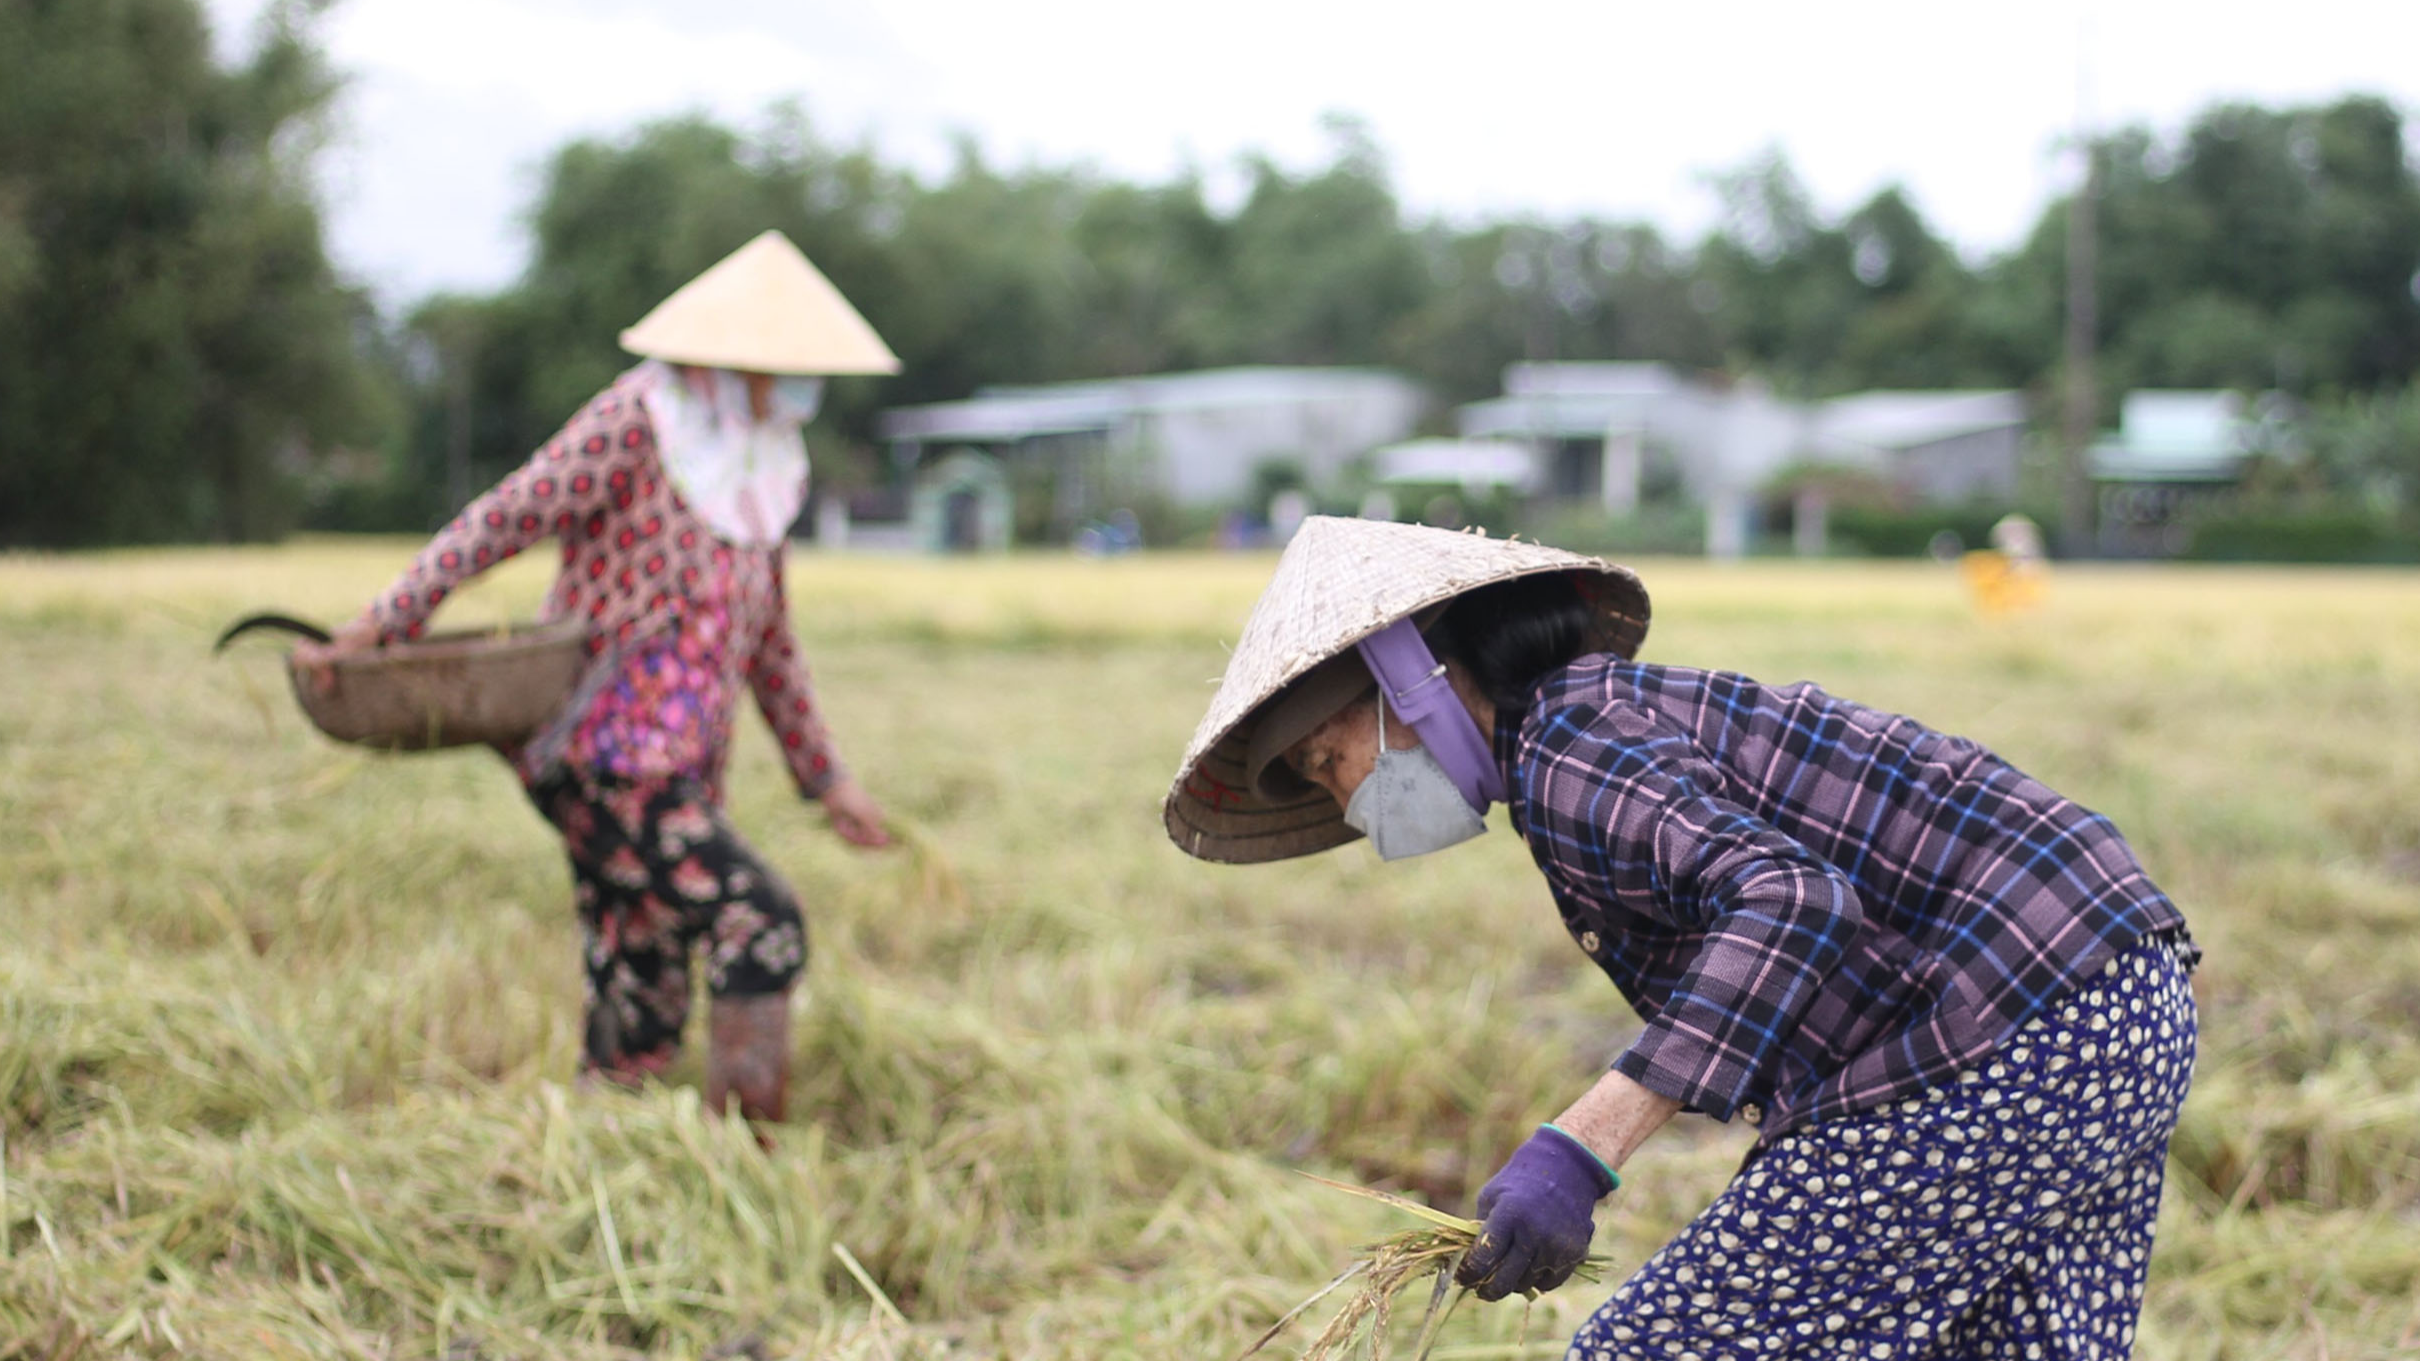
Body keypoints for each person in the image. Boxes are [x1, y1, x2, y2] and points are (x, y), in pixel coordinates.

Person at [1165, 517, 2198, 1358]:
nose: (1345, 797)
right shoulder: (1589, 726)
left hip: (2021, 1022)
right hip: (2121, 992)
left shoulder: (1571, 745)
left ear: (1410, 680)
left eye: (1327, 754)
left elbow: (1792, 902)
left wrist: (1579, 1149)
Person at [299, 230, 898, 1123]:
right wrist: (389, 620)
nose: (802, 391)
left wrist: (827, 779)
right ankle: (749, 1158)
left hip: (686, 763)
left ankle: (612, 1142)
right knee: (757, 918)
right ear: (731, 360)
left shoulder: (764, 466)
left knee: (642, 958)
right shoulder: (637, 421)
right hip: (600, 749)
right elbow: (506, 515)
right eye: (787, 369)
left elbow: (770, 643)